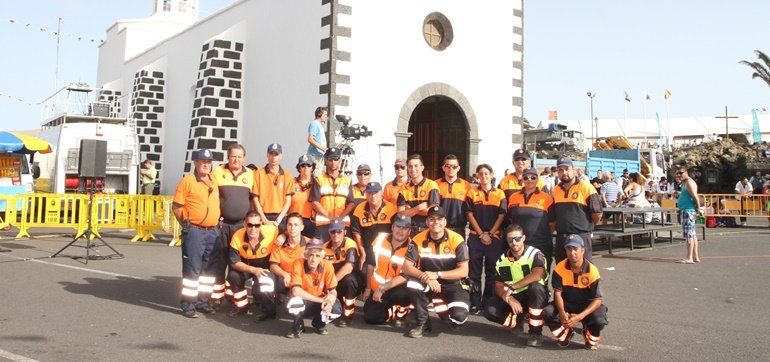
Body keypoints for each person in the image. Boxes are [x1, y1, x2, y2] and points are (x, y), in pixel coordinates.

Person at [402, 206, 470, 338]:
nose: (435, 222)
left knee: (458, 317)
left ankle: (441, 306)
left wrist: (438, 274)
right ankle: (423, 324)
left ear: (445, 222)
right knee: (412, 284)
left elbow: (463, 271)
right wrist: (427, 278)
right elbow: (406, 267)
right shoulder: (418, 239)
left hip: (452, 284)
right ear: (427, 222)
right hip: (429, 282)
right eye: (432, 219)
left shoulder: (457, 239)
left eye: (439, 219)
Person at [172, 149, 222, 318]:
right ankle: (188, 304)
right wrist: (186, 224)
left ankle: (203, 302)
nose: (206, 165)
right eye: (203, 161)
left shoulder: (213, 181)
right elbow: (177, 206)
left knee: (209, 270)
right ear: (196, 162)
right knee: (192, 269)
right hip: (194, 231)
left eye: (209, 162)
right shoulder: (187, 181)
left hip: (212, 232)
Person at [483, 224, 549, 347]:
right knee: (489, 310)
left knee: (536, 287)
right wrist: (508, 298)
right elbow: (498, 285)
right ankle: (517, 320)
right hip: (515, 297)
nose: (514, 242)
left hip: (535, 296)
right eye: (510, 240)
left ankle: (535, 333)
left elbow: (537, 275)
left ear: (523, 238)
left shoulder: (535, 254)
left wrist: (513, 287)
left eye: (517, 238)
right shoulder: (502, 260)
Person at [543, 235, 608, 350]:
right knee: (547, 312)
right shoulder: (559, 268)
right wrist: (562, 313)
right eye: (569, 249)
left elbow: (597, 300)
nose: (572, 252)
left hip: (585, 306)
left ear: (582, 250)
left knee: (599, 319)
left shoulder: (592, 271)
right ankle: (566, 334)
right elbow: (557, 293)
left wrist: (579, 317)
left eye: (575, 249)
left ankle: (588, 332)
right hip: (567, 304)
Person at [212, 143, 257, 304]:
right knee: (220, 261)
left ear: (244, 158)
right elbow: (212, 197)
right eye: (233, 156)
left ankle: (233, 294)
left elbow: (254, 200)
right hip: (222, 225)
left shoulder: (250, 174)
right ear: (228, 157)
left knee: (236, 262)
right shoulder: (218, 172)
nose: (236, 159)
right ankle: (216, 297)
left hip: (241, 226)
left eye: (239, 156)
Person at [464, 164, 507, 314]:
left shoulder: (500, 194)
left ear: (492, 174)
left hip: (494, 238)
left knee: (491, 272)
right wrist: (481, 233)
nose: (484, 177)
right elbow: (470, 215)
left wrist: (490, 234)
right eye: (481, 174)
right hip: (476, 237)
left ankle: (488, 302)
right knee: (474, 272)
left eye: (486, 174)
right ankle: (474, 303)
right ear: (477, 176)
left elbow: (501, 216)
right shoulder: (472, 192)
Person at [226, 212, 281, 319]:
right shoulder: (238, 235)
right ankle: (242, 306)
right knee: (233, 276)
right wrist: (253, 270)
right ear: (245, 224)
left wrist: (283, 236)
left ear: (261, 224)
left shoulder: (271, 231)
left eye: (257, 225)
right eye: (250, 225)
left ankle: (269, 311)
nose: (253, 228)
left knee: (264, 284)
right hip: (248, 266)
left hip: (266, 266)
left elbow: (291, 230)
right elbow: (234, 262)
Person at [362, 214, 414, 326]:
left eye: (405, 228)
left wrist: (382, 288)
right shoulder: (379, 239)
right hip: (376, 288)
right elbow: (370, 264)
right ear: (392, 227)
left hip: (397, 289)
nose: (400, 230)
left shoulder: (412, 247)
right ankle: (392, 311)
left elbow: (407, 275)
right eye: (398, 226)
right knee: (370, 318)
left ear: (409, 231)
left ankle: (402, 313)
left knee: (405, 293)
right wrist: (367, 288)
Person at [285, 238, 342, 338]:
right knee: (294, 302)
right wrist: (321, 300)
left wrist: (329, 300)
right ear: (305, 255)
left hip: (319, 302)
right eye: (311, 254)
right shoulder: (298, 263)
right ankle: (297, 325)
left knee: (336, 308)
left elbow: (333, 291)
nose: (313, 259)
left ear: (322, 257)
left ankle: (319, 323)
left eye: (317, 255)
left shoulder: (327, 265)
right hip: (304, 301)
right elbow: (295, 291)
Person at [552, 156, 602, 264]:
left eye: (567, 169)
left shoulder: (586, 187)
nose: (564, 172)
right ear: (557, 172)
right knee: (562, 269)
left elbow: (597, 214)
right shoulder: (555, 190)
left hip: (581, 236)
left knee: (584, 269)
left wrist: (586, 227)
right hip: (562, 237)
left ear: (573, 170)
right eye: (560, 170)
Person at [506, 167, 556, 265]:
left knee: (540, 275)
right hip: (518, 245)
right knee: (519, 276)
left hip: (541, 244)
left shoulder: (546, 198)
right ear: (522, 180)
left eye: (533, 177)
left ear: (537, 180)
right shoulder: (513, 197)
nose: (529, 180)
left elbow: (552, 223)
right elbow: (510, 219)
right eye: (526, 178)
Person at [264, 213, 308, 316]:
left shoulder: (309, 244)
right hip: (284, 279)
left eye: (296, 225)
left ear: (302, 227)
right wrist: (285, 274)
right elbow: (273, 266)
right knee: (265, 279)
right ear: (286, 226)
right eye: (290, 224)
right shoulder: (279, 244)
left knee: (293, 311)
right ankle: (269, 311)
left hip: (301, 280)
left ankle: (291, 299)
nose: (293, 228)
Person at [309, 147, 356, 241]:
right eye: (330, 159)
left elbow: (351, 203)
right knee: (322, 253)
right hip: (324, 224)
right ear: (326, 161)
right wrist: (329, 217)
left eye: (336, 159)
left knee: (343, 253)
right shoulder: (319, 179)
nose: (333, 162)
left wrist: (340, 218)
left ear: (340, 161)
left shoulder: (347, 180)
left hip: (342, 225)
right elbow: (315, 202)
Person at [350, 182, 398, 271]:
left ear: (381, 193)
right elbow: (356, 233)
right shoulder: (359, 209)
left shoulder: (391, 208)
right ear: (366, 195)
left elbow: (397, 232)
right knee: (363, 273)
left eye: (376, 193)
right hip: (368, 251)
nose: (373, 196)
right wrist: (363, 254)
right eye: (370, 193)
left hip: (386, 251)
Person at [323, 218, 361, 326]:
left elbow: (348, 267)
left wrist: (331, 283)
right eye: (333, 231)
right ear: (329, 232)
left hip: (344, 280)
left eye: (339, 231)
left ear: (344, 231)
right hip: (331, 283)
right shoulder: (324, 247)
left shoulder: (350, 244)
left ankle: (348, 314)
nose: (336, 234)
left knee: (350, 280)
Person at [254, 143, 294, 230]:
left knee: (279, 243)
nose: (273, 157)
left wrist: (278, 221)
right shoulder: (258, 173)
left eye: (276, 154)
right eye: (271, 154)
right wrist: (264, 220)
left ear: (281, 156)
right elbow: (255, 199)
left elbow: (288, 201)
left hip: (280, 218)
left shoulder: (287, 175)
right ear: (267, 155)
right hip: (262, 217)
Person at [397, 154, 440, 233]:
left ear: (422, 167)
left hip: (427, 230)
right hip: (408, 231)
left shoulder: (431, 185)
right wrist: (418, 208)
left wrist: (409, 210)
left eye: (416, 166)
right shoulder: (403, 189)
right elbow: (401, 215)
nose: (413, 169)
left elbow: (433, 212)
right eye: (410, 166)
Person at [436, 154, 472, 237]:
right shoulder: (435, 184)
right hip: (440, 228)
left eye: (454, 167)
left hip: (459, 229)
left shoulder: (466, 186)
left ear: (458, 168)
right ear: (443, 168)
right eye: (448, 166)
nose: (451, 169)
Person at [676, 167, 701, 264]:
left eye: (680, 173)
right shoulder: (684, 183)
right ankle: (695, 256)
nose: (679, 175)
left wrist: (698, 209)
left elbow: (695, 196)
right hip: (686, 210)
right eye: (677, 173)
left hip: (688, 211)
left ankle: (689, 257)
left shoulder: (689, 183)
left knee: (689, 235)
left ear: (686, 172)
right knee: (692, 234)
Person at [289, 155, 316, 238]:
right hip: (294, 222)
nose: (306, 168)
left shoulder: (317, 183)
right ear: (299, 168)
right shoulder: (291, 182)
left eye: (308, 165)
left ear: (312, 168)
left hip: (312, 223)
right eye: (303, 165)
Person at [307, 106, 329, 176]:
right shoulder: (314, 123)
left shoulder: (319, 125)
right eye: (325, 114)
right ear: (320, 114)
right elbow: (310, 139)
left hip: (319, 156)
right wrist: (323, 149)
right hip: (315, 156)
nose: (326, 116)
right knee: (316, 177)